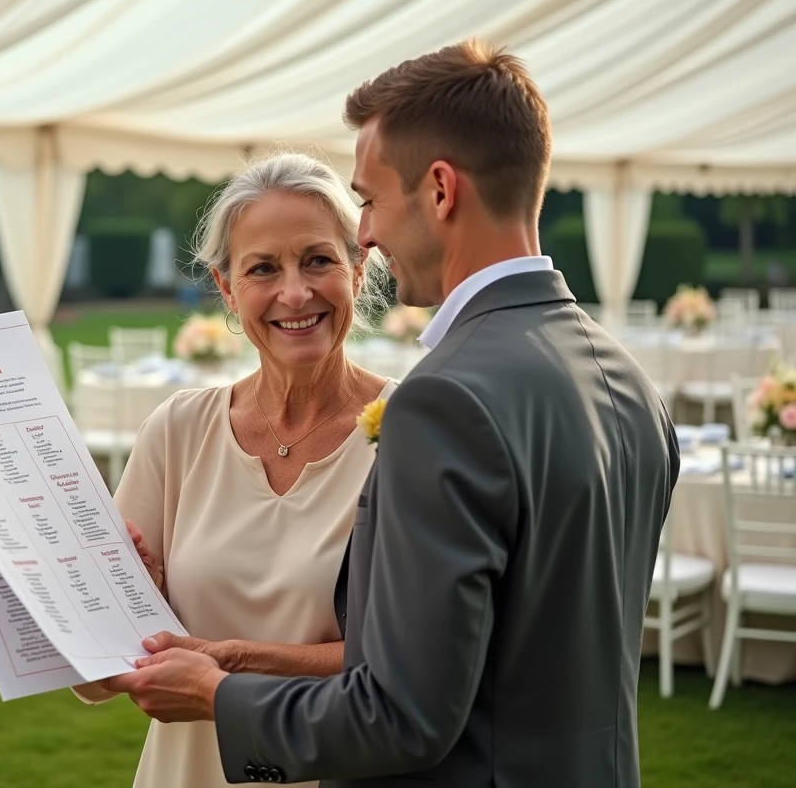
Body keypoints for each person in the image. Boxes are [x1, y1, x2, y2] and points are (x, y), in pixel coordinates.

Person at [106, 39, 681, 788]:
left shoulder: (440, 403)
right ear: (225, 285)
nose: (367, 232)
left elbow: (403, 712)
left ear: (440, 190)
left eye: (369, 201)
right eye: (261, 269)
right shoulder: (629, 380)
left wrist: (221, 690)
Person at [0, 152, 397, 788]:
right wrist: (12, 579)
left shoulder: (411, 431)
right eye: (263, 268)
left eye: (318, 259)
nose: (295, 292)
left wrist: (227, 666)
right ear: (228, 290)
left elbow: (416, 666)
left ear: (358, 267)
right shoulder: (178, 431)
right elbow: (104, 671)